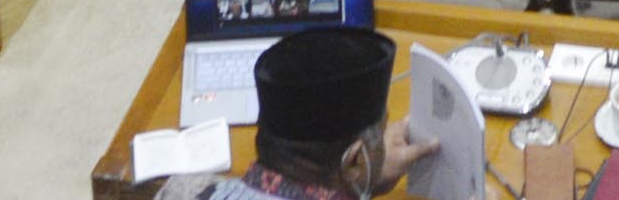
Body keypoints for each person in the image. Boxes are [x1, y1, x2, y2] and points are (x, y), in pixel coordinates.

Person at [163, 23, 434, 200]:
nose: (384, 144)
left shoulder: (184, 190)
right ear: (354, 161)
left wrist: (364, 181)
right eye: (382, 132)